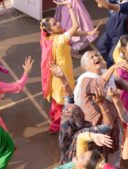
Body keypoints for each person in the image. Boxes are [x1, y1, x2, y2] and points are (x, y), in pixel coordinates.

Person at [40, 0, 98, 133]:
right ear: (49, 30)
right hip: (63, 75)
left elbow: (73, 33)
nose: (59, 24)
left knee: (57, 100)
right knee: (64, 102)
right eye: (55, 24)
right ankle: (55, 126)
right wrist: (70, 8)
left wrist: (88, 33)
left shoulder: (50, 37)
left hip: (57, 75)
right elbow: (75, 26)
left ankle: (54, 116)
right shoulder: (60, 40)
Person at [49, 63, 114, 164]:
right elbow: (108, 126)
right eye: (79, 112)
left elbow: (69, 101)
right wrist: (102, 104)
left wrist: (63, 79)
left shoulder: (65, 137)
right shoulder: (84, 132)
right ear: (79, 117)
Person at [95, 0, 128, 67]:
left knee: (111, 57)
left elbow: (109, 6)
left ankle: (113, 68)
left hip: (119, 36)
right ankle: (114, 63)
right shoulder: (116, 1)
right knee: (100, 46)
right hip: (108, 32)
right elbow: (100, 4)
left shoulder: (127, 5)